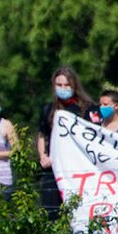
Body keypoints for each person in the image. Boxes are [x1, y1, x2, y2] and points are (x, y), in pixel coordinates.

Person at [36, 67, 89, 218]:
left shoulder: (85, 109)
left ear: (74, 86)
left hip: (77, 169)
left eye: (67, 85)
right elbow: (42, 134)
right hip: (53, 169)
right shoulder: (48, 109)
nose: (63, 88)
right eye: (59, 85)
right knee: (52, 213)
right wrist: (43, 156)